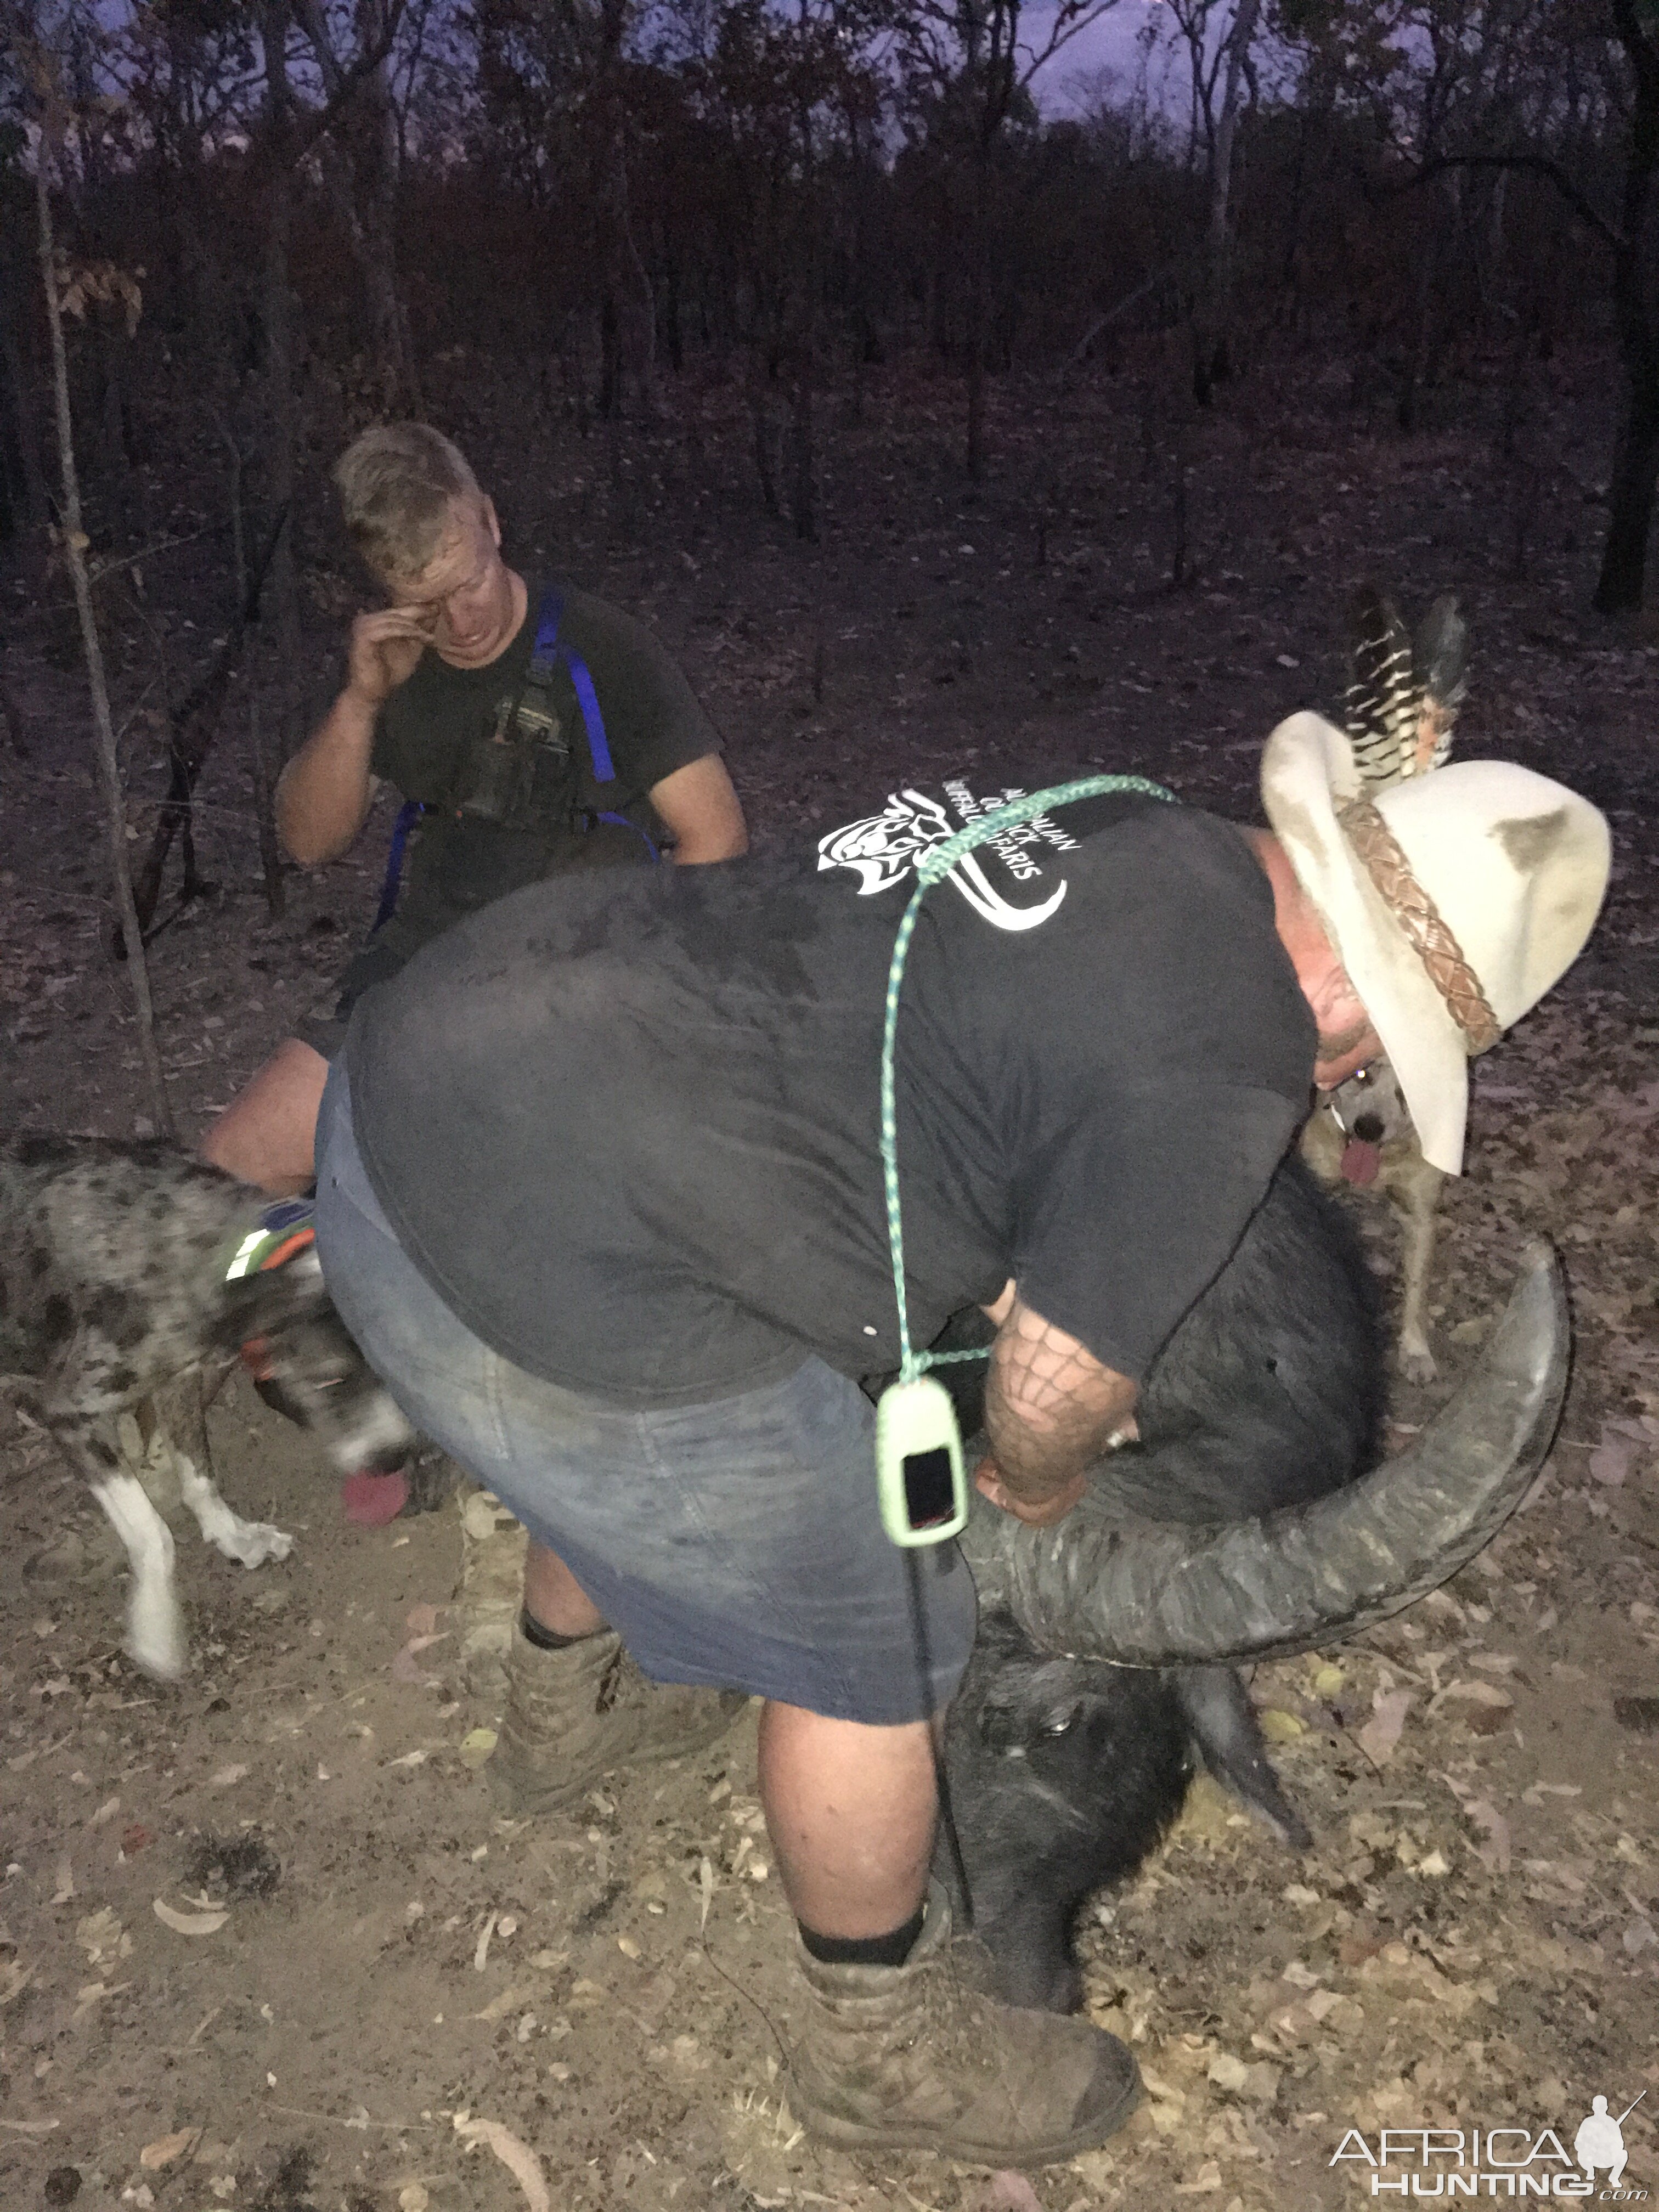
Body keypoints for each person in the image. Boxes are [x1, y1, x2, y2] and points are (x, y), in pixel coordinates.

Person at [311, 718, 1609, 2164]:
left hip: (421, 1076)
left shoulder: (1135, 820)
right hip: (509, 1252)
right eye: (1378, 1045)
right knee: (884, 1619)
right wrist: (1026, 1482)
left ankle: (571, 1720)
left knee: (689, 1400)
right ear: (1354, 990)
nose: (1345, 1072)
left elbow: (942, 1041)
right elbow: (1052, 1394)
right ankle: (877, 2055)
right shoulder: (1231, 1061)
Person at [202, 422, 747, 1518]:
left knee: (510, 1206)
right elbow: (309, 842)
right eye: (429, 598)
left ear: (490, 518)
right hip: (418, 978)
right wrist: (359, 701)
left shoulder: (603, 649)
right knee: (223, 1182)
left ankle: (502, 1411)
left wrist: (636, 998)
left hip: (577, 979)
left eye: (473, 577)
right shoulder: (399, 668)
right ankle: (367, 1380)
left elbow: (718, 840)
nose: (464, 616)